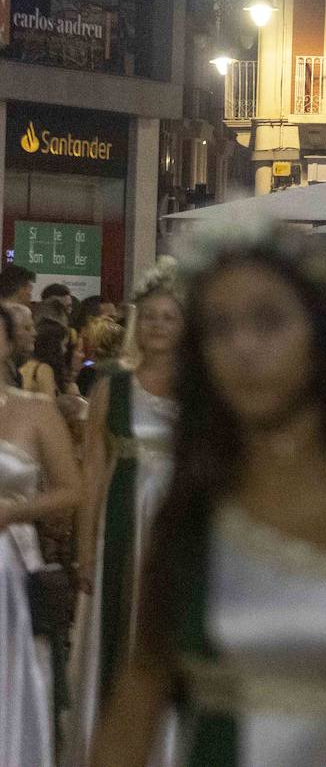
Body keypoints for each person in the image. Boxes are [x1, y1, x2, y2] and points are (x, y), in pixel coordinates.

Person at [92, 226, 326, 767]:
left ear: (323, 335)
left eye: (268, 321)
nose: (242, 346)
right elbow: (137, 701)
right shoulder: (195, 505)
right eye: (218, 328)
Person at [67, 258, 185, 767]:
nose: (159, 326)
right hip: (122, 517)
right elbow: (92, 470)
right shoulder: (112, 386)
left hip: (178, 524)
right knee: (119, 630)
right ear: (139, 322)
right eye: (152, 317)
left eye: (170, 317)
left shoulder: (204, 390)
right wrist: (85, 545)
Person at [0, 304, 82, 767]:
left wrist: (16, 511)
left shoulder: (35, 409)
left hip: (10, 563)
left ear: (10, 344)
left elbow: (73, 488)